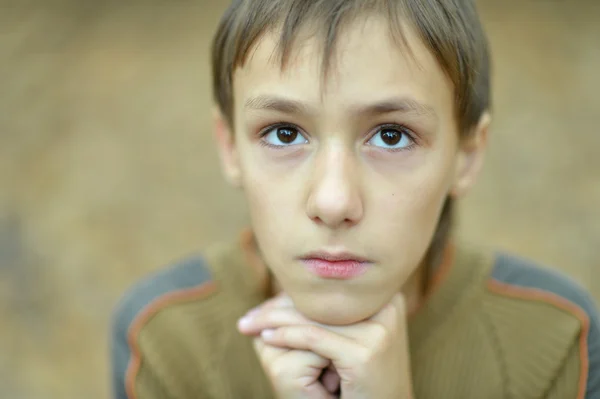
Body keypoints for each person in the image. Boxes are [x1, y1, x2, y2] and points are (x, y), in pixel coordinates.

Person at [110, 0, 600, 398]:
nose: (333, 200)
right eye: (284, 133)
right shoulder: (167, 338)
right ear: (229, 147)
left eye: (391, 136)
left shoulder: (555, 337)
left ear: (466, 156)